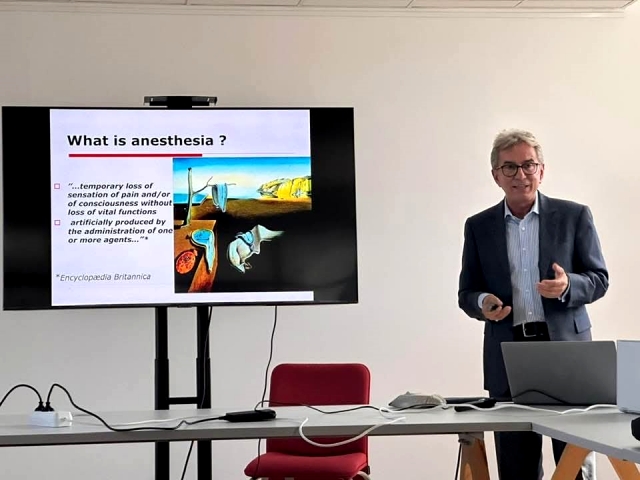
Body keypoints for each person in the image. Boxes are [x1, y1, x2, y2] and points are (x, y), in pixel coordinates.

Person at [457, 129, 608, 480]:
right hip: (508, 355)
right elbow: (467, 292)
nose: (520, 175)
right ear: (496, 175)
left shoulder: (574, 216)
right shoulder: (479, 226)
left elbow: (599, 278)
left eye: (528, 165)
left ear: (542, 170)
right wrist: (483, 302)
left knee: (575, 466)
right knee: (516, 467)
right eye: (509, 167)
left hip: (566, 355)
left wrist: (569, 285)